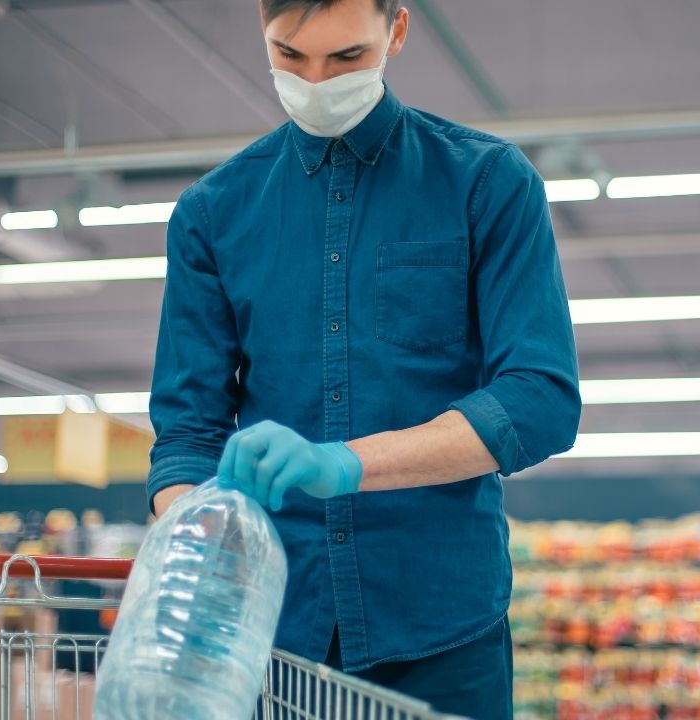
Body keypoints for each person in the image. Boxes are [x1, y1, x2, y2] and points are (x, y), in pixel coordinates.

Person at [145, 0, 580, 716]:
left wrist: (348, 463)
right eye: (290, 55)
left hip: (441, 629)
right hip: (271, 630)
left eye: (345, 57)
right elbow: (187, 433)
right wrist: (195, 536)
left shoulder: (487, 183)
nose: (315, 81)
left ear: (397, 31)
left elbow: (539, 400)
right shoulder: (212, 212)